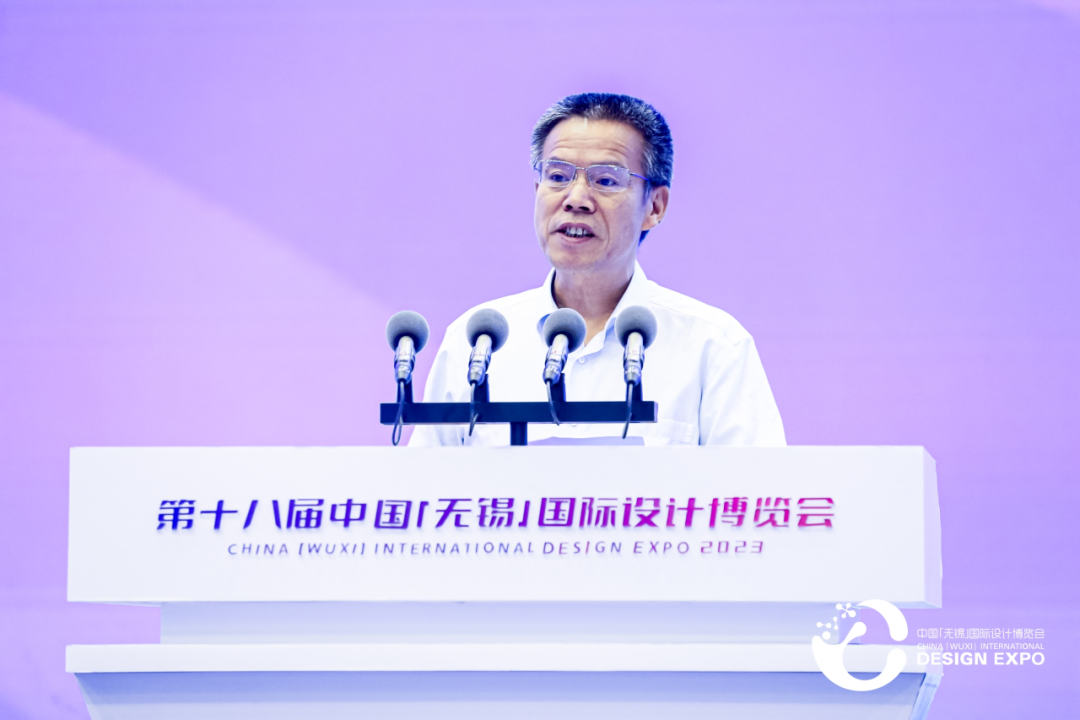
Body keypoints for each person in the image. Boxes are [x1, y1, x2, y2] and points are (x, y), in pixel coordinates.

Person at [410, 93, 785, 447]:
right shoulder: (476, 342)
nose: (575, 199)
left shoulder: (713, 346)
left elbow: (757, 489)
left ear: (654, 206)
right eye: (557, 176)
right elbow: (423, 486)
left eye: (606, 180)